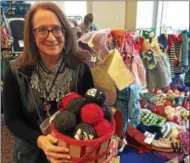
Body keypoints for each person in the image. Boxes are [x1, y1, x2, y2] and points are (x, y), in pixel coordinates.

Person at [3, 2, 94, 163]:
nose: (51, 37)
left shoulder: (80, 68)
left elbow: (91, 110)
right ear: (32, 35)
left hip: (72, 153)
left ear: (65, 31)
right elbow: (12, 119)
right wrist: (40, 140)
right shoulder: (16, 71)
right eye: (42, 30)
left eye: (57, 28)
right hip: (30, 154)